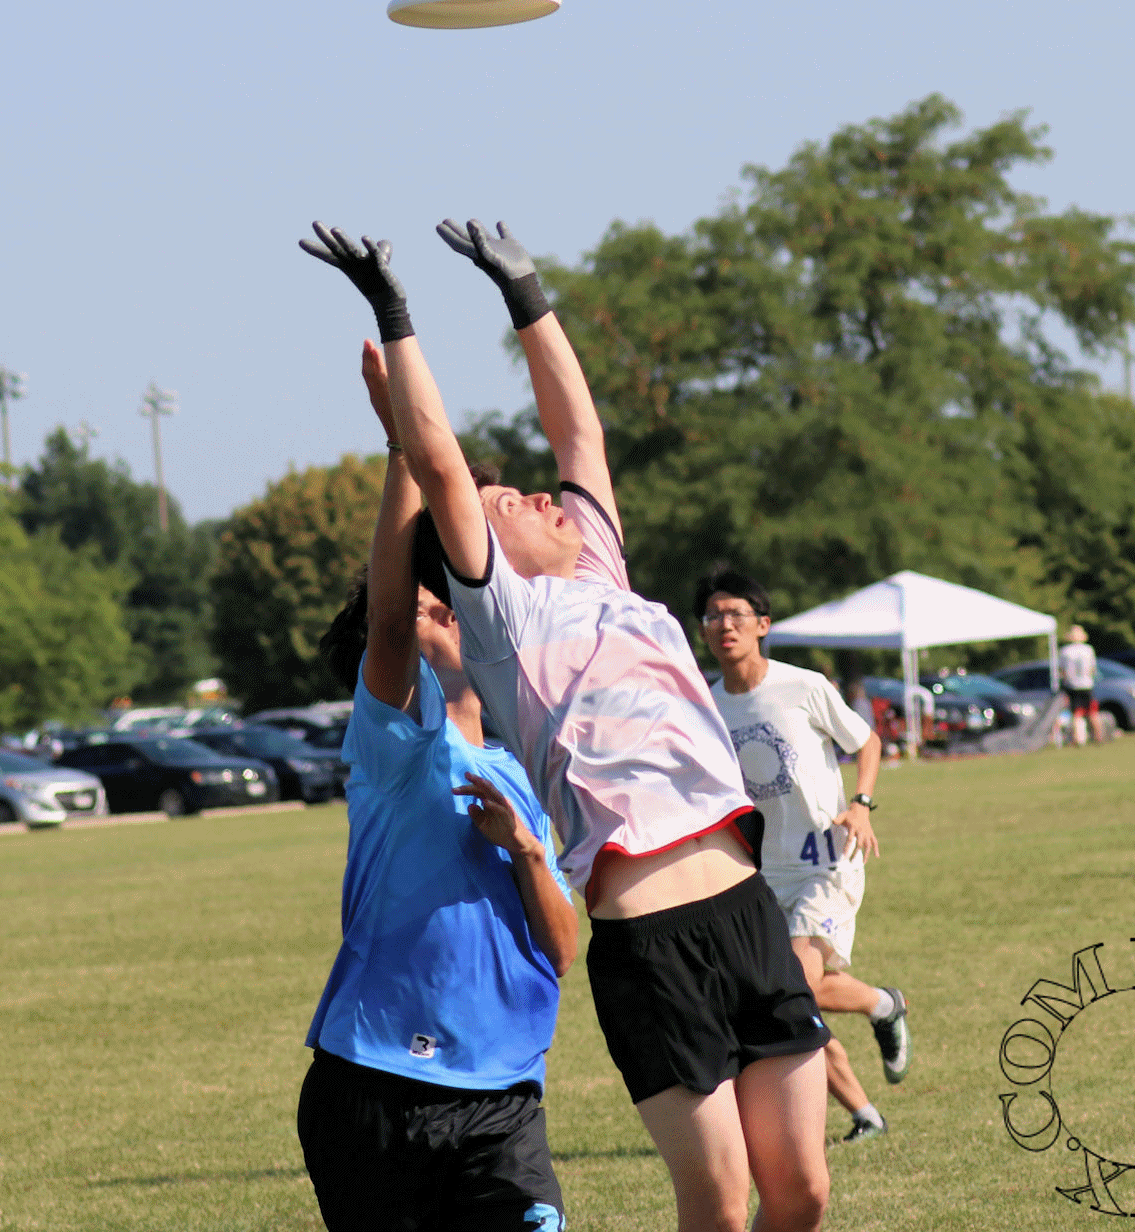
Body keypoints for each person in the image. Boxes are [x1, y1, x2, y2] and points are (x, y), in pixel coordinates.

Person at [304, 220, 830, 1232]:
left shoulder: (605, 575)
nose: (543, 497)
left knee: (801, 1193)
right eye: (513, 502)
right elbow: (443, 467)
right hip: (650, 941)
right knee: (721, 1206)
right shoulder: (503, 621)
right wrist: (396, 313)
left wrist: (527, 294)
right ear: (478, 551)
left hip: (746, 908)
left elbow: (578, 431)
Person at [298, 341, 578, 1232]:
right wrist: (403, 451)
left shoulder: (522, 767)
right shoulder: (397, 747)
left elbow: (562, 949)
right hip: (374, 1082)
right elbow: (387, 617)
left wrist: (526, 850)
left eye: (445, 604)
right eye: (426, 608)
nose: (441, 614)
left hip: (504, 1094)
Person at [695, 565, 913, 1145]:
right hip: (761, 873)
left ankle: (884, 1007)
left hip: (827, 860)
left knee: (798, 985)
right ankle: (865, 1108)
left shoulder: (803, 686)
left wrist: (861, 804)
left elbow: (866, 740)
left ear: (763, 624)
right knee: (777, 999)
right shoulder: (707, 706)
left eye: (736, 614)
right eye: (713, 616)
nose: (725, 625)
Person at [1058, 625, 1102, 745]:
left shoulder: (1064, 651)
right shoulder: (1088, 649)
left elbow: (1062, 671)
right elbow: (1093, 669)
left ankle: (1078, 739)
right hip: (1087, 684)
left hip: (1072, 685)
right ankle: (1098, 736)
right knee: (1092, 711)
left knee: (1076, 713)